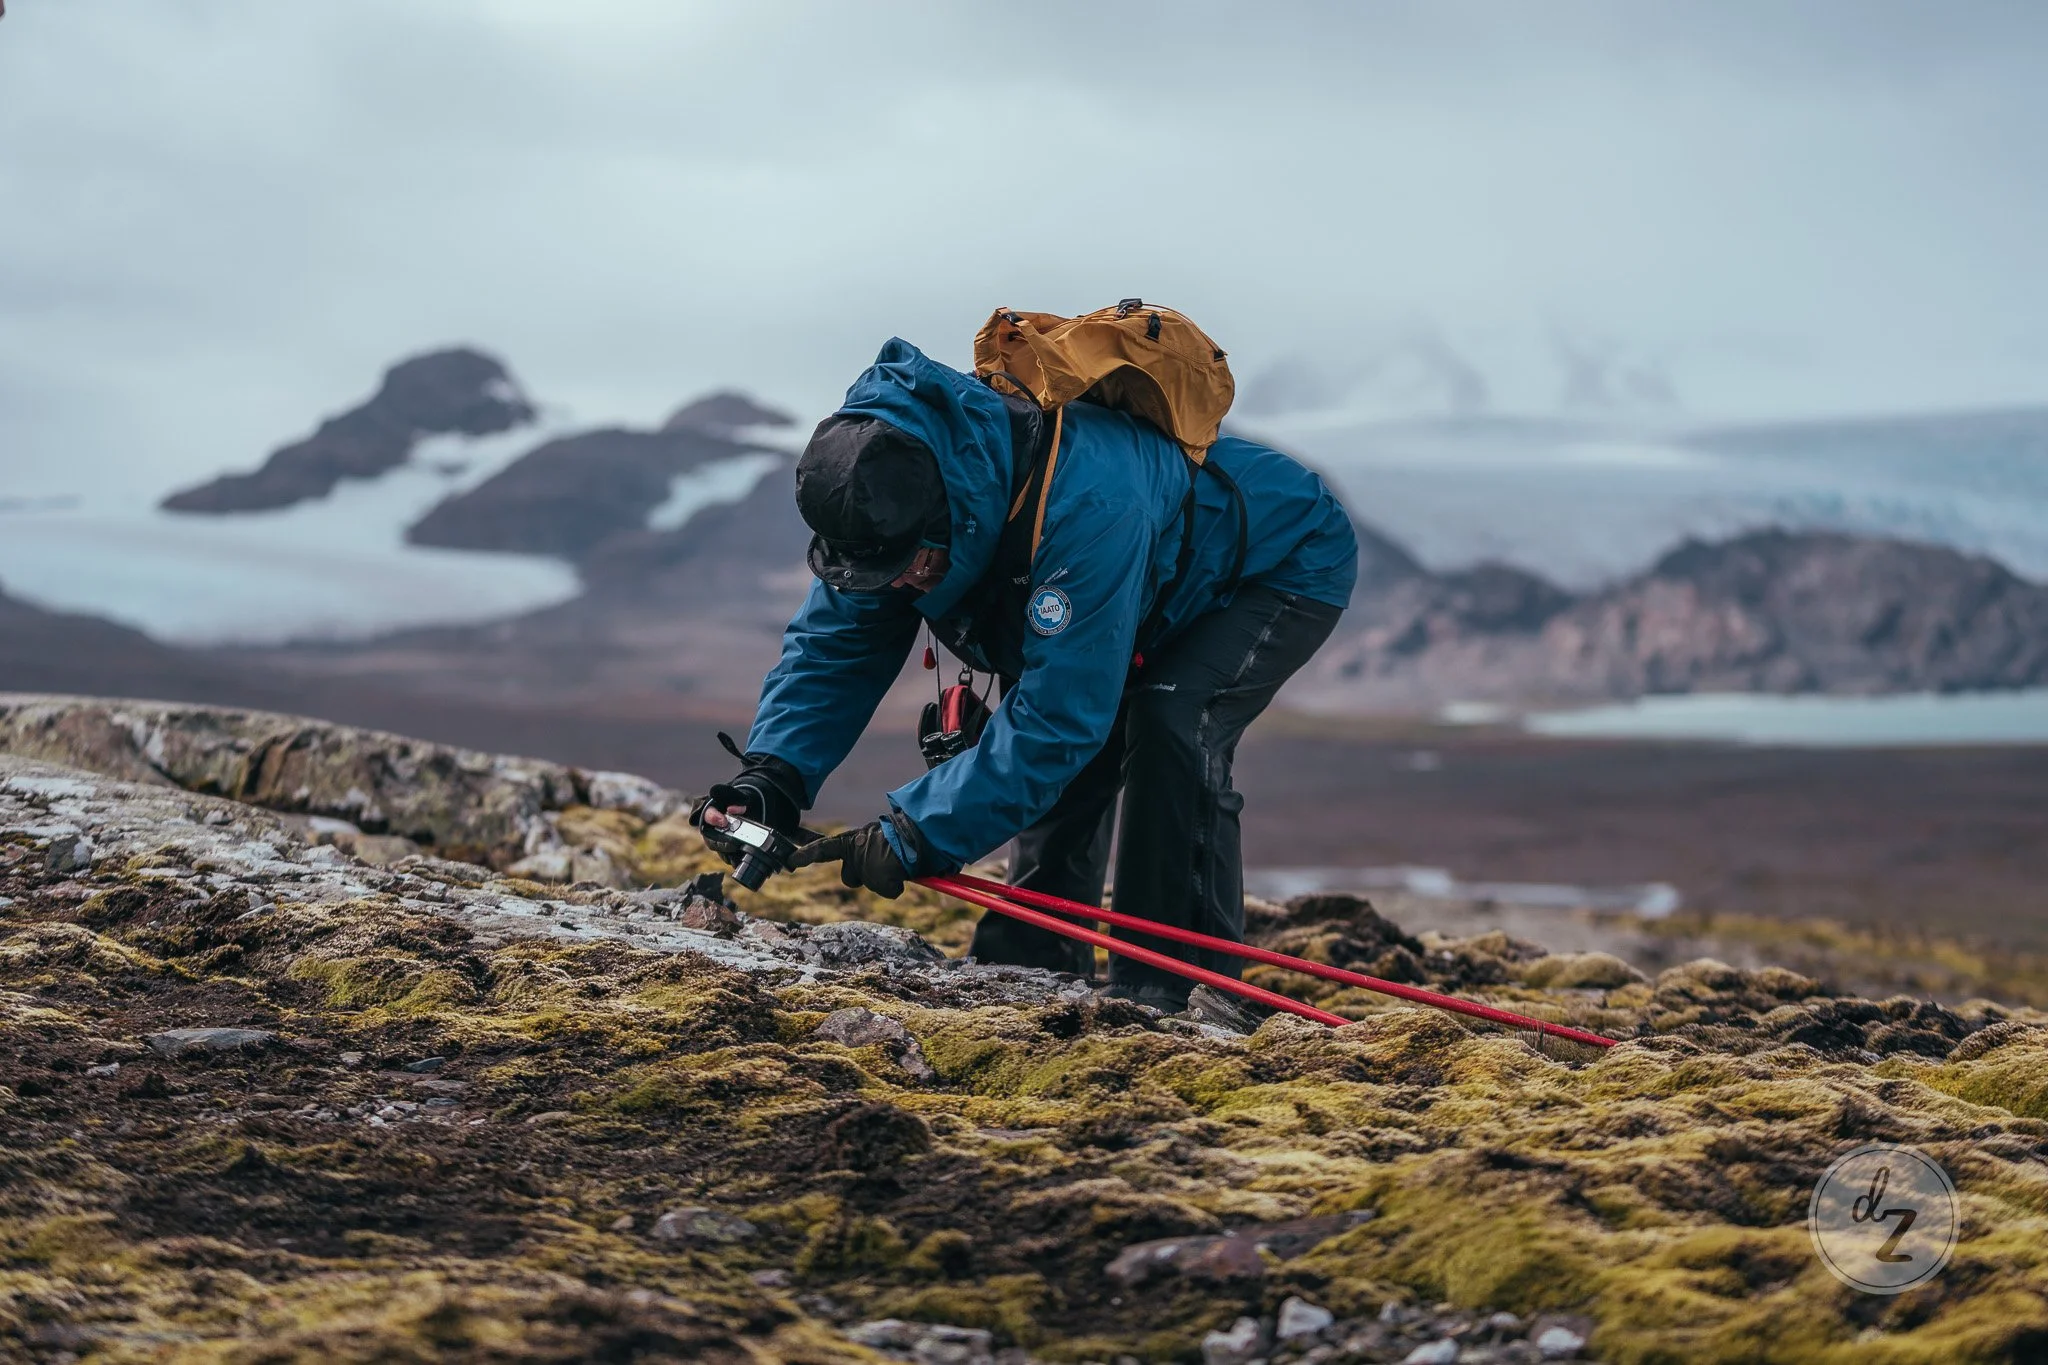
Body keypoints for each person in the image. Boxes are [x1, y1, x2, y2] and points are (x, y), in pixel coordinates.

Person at [696, 337, 1357, 1010]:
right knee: (1073, 745)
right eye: (879, 572)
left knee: (1170, 720)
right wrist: (772, 775)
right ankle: (1033, 962)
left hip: (1276, 563)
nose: (895, 585)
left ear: (946, 508)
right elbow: (835, 646)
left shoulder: (1086, 505)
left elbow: (1057, 719)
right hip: (1141, 584)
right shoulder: (876, 509)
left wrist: (917, 834)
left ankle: (1178, 987)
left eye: (906, 565)